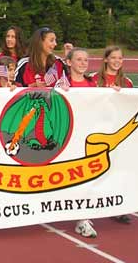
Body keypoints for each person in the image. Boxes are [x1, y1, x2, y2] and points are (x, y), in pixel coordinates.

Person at [56, 47, 97, 238]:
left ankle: (83, 219)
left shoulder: (93, 84)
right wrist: (59, 92)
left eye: (85, 60)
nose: (82, 63)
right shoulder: (62, 83)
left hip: (86, 138)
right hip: (66, 139)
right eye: (78, 59)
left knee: (85, 177)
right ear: (69, 62)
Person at [91, 45, 133, 225]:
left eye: (120, 58)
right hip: (97, 131)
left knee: (118, 169)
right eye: (113, 58)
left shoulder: (127, 82)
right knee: (96, 170)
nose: (117, 61)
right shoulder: (94, 79)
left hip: (117, 131)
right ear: (106, 59)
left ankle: (118, 208)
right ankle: (89, 206)